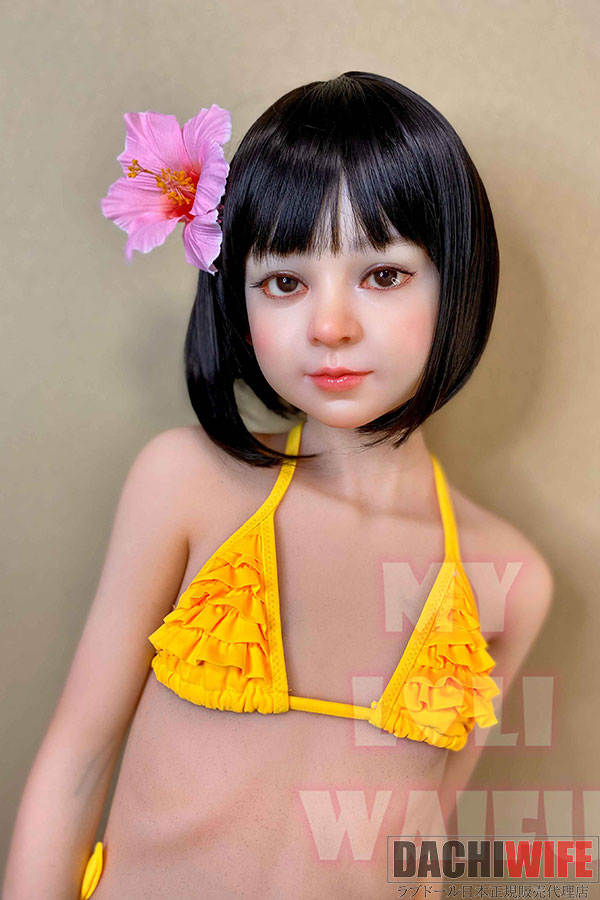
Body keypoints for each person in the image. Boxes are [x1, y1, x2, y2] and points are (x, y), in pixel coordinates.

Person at [4, 71, 553, 899]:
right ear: (238, 297)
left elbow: (421, 851)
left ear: (459, 281)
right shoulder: (187, 484)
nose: (330, 326)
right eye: (286, 282)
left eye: (383, 275)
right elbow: (76, 764)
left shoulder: (509, 579)